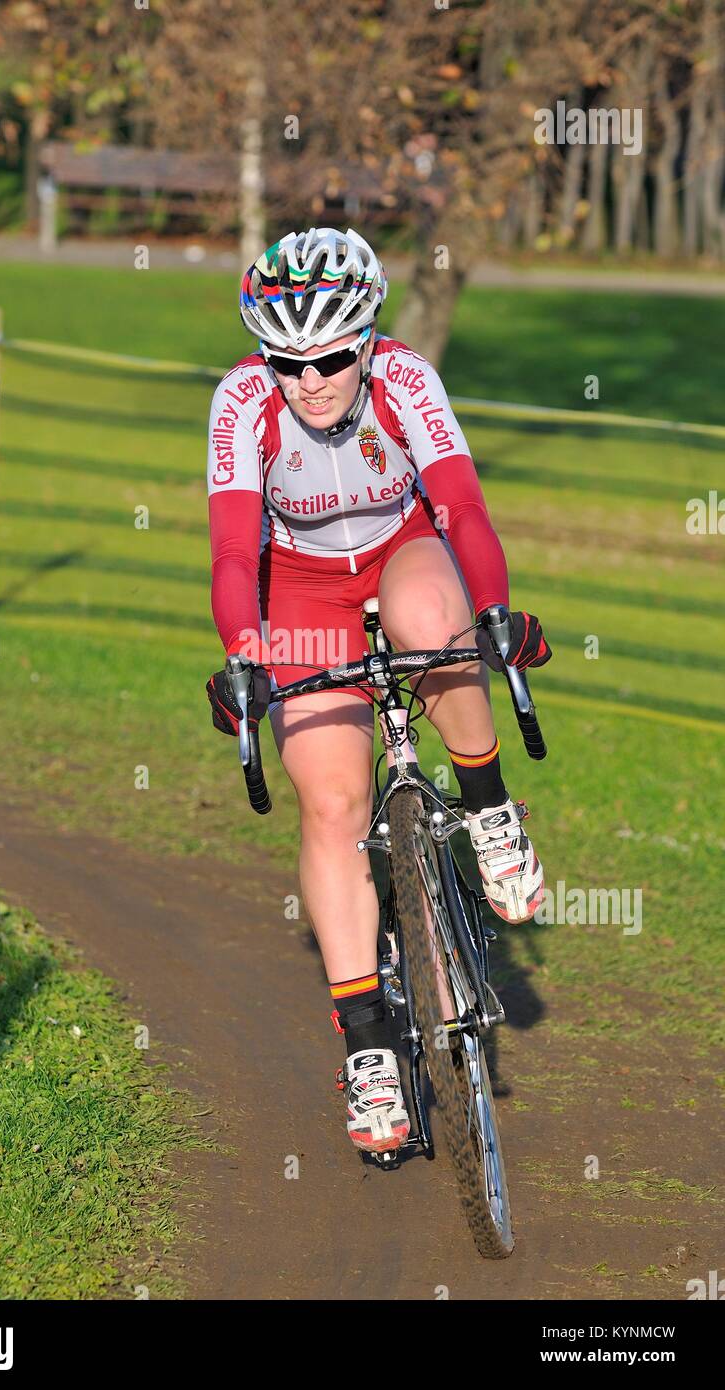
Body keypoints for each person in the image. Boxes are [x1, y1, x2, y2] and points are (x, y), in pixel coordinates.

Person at [205, 227, 551, 1154]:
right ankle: (367, 1052)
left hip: (403, 553)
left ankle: (486, 810)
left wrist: (498, 612)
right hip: (304, 586)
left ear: (363, 342)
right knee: (329, 802)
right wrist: (245, 652)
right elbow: (236, 551)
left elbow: (462, 507)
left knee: (436, 627)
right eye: (287, 361)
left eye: (327, 358)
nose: (309, 380)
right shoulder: (242, 402)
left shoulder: (404, 380)